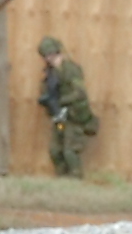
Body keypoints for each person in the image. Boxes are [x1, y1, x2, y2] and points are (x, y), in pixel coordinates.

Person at [36, 37, 98, 178]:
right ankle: (63, 179)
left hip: (73, 116)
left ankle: (76, 178)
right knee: (55, 150)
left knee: (70, 150)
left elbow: (80, 93)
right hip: (60, 118)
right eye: (45, 56)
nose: (48, 59)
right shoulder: (50, 73)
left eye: (50, 55)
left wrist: (61, 101)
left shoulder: (70, 69)